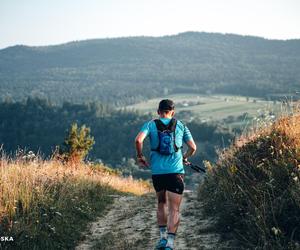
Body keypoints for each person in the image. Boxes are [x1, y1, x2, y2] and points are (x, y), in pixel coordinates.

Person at [135, 99, 197, 250]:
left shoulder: (150, 124)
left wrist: (140, 156)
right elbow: (193, 147)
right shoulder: (181, 125)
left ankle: (162, 238)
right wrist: (185, 157)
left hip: (158, 173)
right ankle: (170, 243)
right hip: (176, 173)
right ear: (173, 112)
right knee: (174, 209)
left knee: (161, 203)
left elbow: (138, 140)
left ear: (158, 111)